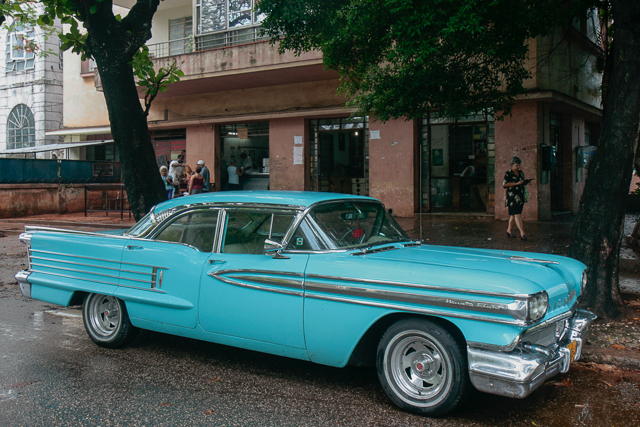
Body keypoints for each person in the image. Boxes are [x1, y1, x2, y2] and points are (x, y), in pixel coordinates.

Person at [503, 156, 533, 240]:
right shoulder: (508, 173)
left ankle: (509, 230)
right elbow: (505, 184)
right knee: (517, 215)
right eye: (516, 165)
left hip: (520, 196)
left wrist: (526, 181)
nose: (518, 167)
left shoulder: (521, 172)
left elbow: (522, 181)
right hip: (512, 197)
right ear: (511, 165)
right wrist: (516, 183)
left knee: (514, 215)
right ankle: (522, 233)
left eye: (519, 165)